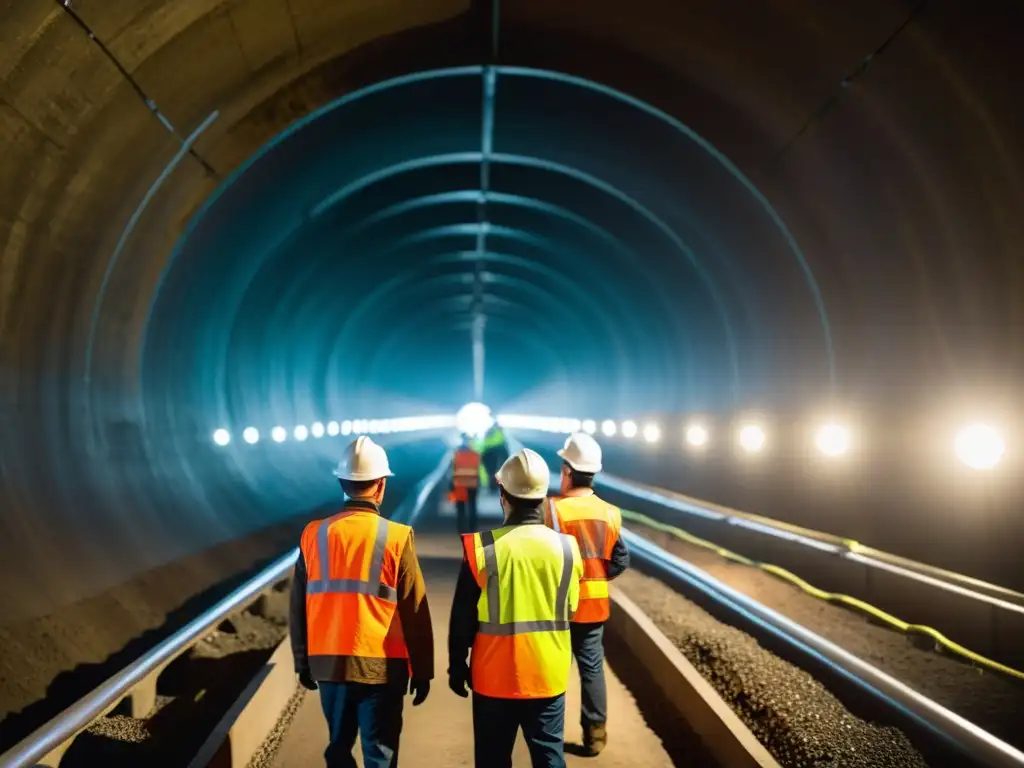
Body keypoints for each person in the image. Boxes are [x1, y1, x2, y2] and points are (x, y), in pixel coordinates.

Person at [290, 435, 434, 767]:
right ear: (381, 485)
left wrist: (302, 659)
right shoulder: (396, 536)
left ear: (342, 482)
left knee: (338, 748)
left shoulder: (314, 534)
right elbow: (415, 609)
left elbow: (298, 605)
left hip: (329, 663)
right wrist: (422, 669)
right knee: (380, 753)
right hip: (382, 668)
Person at [448, 448, 583, 768]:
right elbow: (572, 611)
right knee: (550, 758)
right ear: (543, 497)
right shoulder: (567, 549)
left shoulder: (482, 548)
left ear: (502, 494)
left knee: (493, 760)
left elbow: (462, 619)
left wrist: (457, 666)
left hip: (493, 678)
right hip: (547, 675)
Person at [544, 433, 630, 756]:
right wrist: (596, 576)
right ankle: (595, 735)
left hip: (557, 608)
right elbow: (621, 558)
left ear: (567, 471)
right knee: (592, 669)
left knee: (554, 670)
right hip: (594, 608)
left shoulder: (553, 510)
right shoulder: (609, 513)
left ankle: (548, 733)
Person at [450, 434, 481, 533]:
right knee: (472, 507)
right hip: (472, 484)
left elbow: (452, 470)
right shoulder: (475, 454)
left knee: (460, 509)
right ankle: (473, 529)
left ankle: (461, 530)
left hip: (459, 484)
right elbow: (479, 469)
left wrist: (451, 484)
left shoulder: (456, 454)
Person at [479, 423, 509, 493]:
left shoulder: (489, 432)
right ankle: (493, 488)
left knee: (491, 472)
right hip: (494, 452)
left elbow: (484, 443)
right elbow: (503, 445)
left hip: (488, 452)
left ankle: (493, 487)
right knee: (495, 472)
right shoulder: (499, 433)